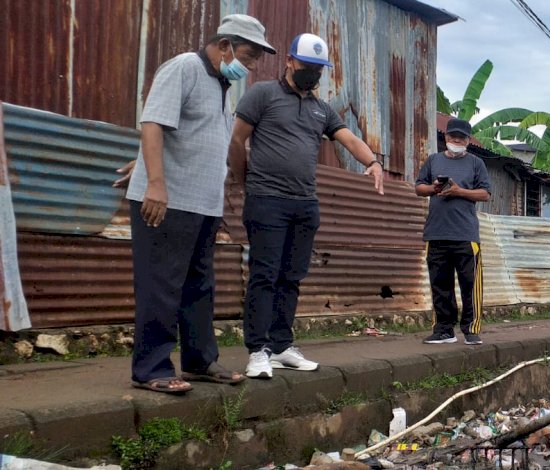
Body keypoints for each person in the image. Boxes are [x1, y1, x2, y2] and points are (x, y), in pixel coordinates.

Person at [122, 14, 276, 393]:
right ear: (224, 45)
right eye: (248, 54)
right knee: (161, 284)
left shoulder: (220, 84)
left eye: (255, 58)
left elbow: (191, 136)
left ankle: (200, 360)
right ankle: (152, 369)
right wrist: (154, 181)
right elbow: (154, 123)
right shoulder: (184, 68)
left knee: (198, 286)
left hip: (202, 207)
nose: (251, 64)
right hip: (167, 201)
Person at [228, 33, 384, 379]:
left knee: (291, 277)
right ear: (289, 61)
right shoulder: (262, 94)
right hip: (267, 200)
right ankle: (257, 350)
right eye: (306, 66)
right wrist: (244, 184)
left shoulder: (321, 108)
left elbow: (348, 138)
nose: (311, 74)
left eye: (318, 69)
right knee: (264, 275)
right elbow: (237, 140)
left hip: (304, 204)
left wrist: (372, 162)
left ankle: (282, 346)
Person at [415, 118, 491, 345]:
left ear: (468, 140)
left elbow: (485, 194)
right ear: (446, 137)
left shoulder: (476, 163)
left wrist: (459, 191)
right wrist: (434, 188)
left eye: (461, 137)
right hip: (436, 233)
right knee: (440, 285)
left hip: (465, 235)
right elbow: (419, 188)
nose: (456, 140)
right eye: (452, 136)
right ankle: (444, 330)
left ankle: (471, 329)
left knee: (471, 284)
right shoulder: (433, 160)